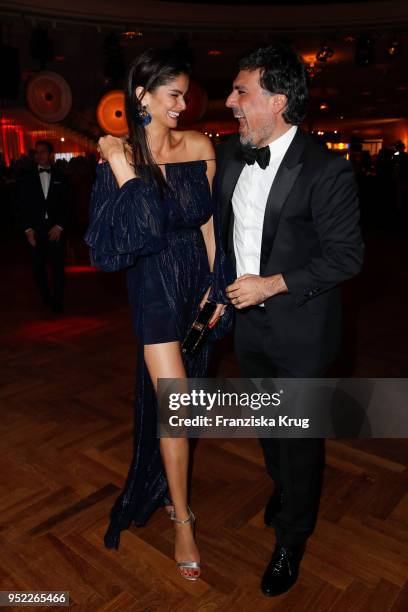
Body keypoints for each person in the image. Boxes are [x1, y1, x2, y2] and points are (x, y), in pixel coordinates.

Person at [216, 44, 364, 596]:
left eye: (241, 92)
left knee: (299, 438)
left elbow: (346, 257)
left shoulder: (327, 170)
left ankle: (291, 538)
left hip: (302, 328)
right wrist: (219, 290)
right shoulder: (232, 156)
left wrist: (271, 285)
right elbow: (227, 238)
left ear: (277, 102)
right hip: (248, 326)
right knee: (266, 425)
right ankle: (283, 485)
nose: (231, 101)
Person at [85, 48, 233, 581]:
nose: (183, 104)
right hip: (152, 285)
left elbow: (212, 226)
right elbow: (134, 234)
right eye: (173, 95)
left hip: (197, 284)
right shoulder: (118, 159)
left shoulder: (199, 146)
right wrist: (124, 166)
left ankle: (168, 491)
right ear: (142, 96)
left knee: (188, 399)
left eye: (186, 95)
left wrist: (218, 287)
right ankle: (183, 521)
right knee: (178, 405)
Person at [16, 140, 70, 313]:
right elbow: (19, 205)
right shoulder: (25, 177)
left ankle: (58, 301)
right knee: (38, 269)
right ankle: (46, 296)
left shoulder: (62, 177)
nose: (39, 155)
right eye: (36, 152)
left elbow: (68, 205)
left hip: (56, 230)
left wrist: (60, 226)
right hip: (35, 230)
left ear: (50, 155)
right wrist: (27, 230)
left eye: (43, 152)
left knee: (58, 268)